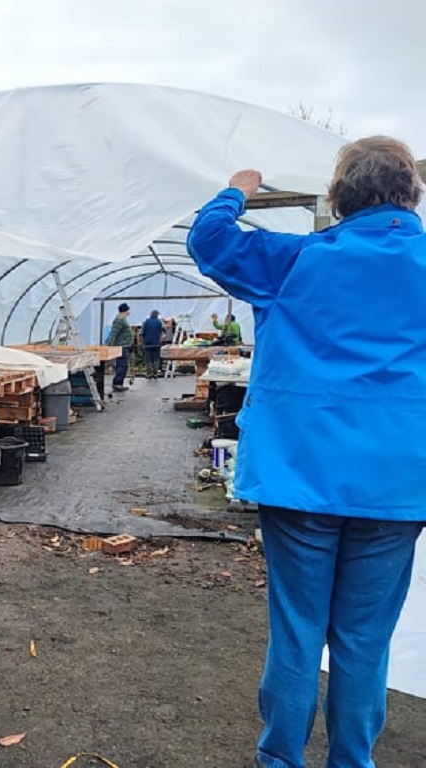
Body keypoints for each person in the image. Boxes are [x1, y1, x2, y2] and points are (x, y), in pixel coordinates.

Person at [187, 136, 426, 768]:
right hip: (399, 485)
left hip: (301, 476)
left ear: (338, 199)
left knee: (297, 630)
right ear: (411, 195)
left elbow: (208, 240)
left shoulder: (294, 260)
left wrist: (238, 187)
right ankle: (353, 760)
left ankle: (281, 759)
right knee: (365, 640)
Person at [105, 302, 133, 391]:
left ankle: (119, 383)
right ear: (126, 310)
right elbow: (114, 332)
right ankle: (117, 383)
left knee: (123, 365)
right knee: (122, 365)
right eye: (128, 310)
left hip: (124, 345)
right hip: (121, 346)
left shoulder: (122, 319)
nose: (129, 312)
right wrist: (110, 345)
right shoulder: (120, 319)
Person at [140, 309, 164, 379]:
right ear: (157, 315)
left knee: (148, 359)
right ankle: (155, 374)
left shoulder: (146, 322)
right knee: (156, 359)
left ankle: (149, 374)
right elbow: (162, 331)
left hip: (147, 344)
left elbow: (142, 333)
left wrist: (142, 341)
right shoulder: (159, 322)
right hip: (156, 343)